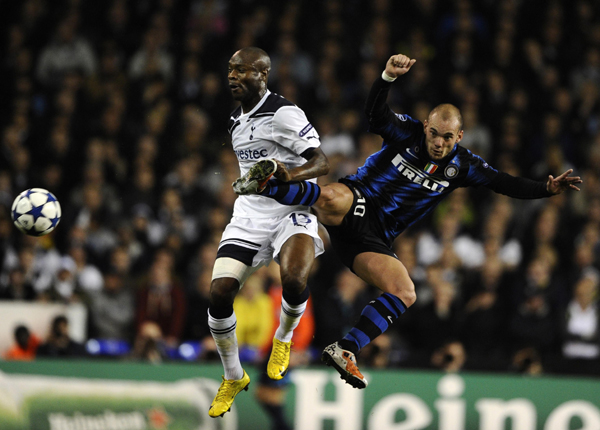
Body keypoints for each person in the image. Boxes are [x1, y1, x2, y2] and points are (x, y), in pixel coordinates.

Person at [235, 53, 582, 389]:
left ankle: (345, 348)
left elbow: (505, 183)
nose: (439, 143)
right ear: (427, 127)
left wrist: (545, 188)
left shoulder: (463, 165)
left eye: (448, 138)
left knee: (405, 291)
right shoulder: (407, 132)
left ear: (459, 137)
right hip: (357, 201)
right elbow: (375, 116)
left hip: (373, 239)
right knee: (331, 196)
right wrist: (386, 78)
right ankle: (266, 186)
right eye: (435, 134)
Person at [207, 47, 329, 418]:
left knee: (292, 280)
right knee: (219, 293)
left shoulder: (284, 113)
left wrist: (286, 174)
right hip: (249, 216)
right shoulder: (235, 119)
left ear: (262, 74)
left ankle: (283, 339)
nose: (232, 76)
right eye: (229, 69)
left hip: (290, 211)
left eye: (241, 70)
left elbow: (322, 162)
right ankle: (233, 376)